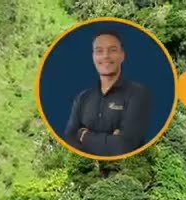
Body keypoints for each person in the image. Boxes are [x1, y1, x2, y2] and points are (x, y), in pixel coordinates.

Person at [63, 29, 153, 157]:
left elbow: (125, 146)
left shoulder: (138, 94)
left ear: (122, 55)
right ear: (93, 56)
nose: (106, 56)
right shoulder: (83, 98)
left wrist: (84, 135)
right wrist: (111, 140)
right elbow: (69, 138)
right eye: (99, 51)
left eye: (112, 50)